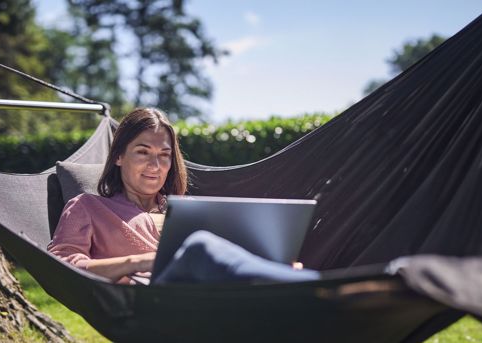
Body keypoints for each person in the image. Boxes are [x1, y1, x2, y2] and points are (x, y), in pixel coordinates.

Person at [48, 107, 319, 284]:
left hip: (215, 297)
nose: (155, 166)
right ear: (119, 156)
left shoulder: (188, 210)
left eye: (164, 155)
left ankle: (288, 282)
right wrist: (138, 262)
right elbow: (62, 268)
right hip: (155, 303)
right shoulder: (87, 206)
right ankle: (314, 289)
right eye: (143, 152)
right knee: (199, 246)